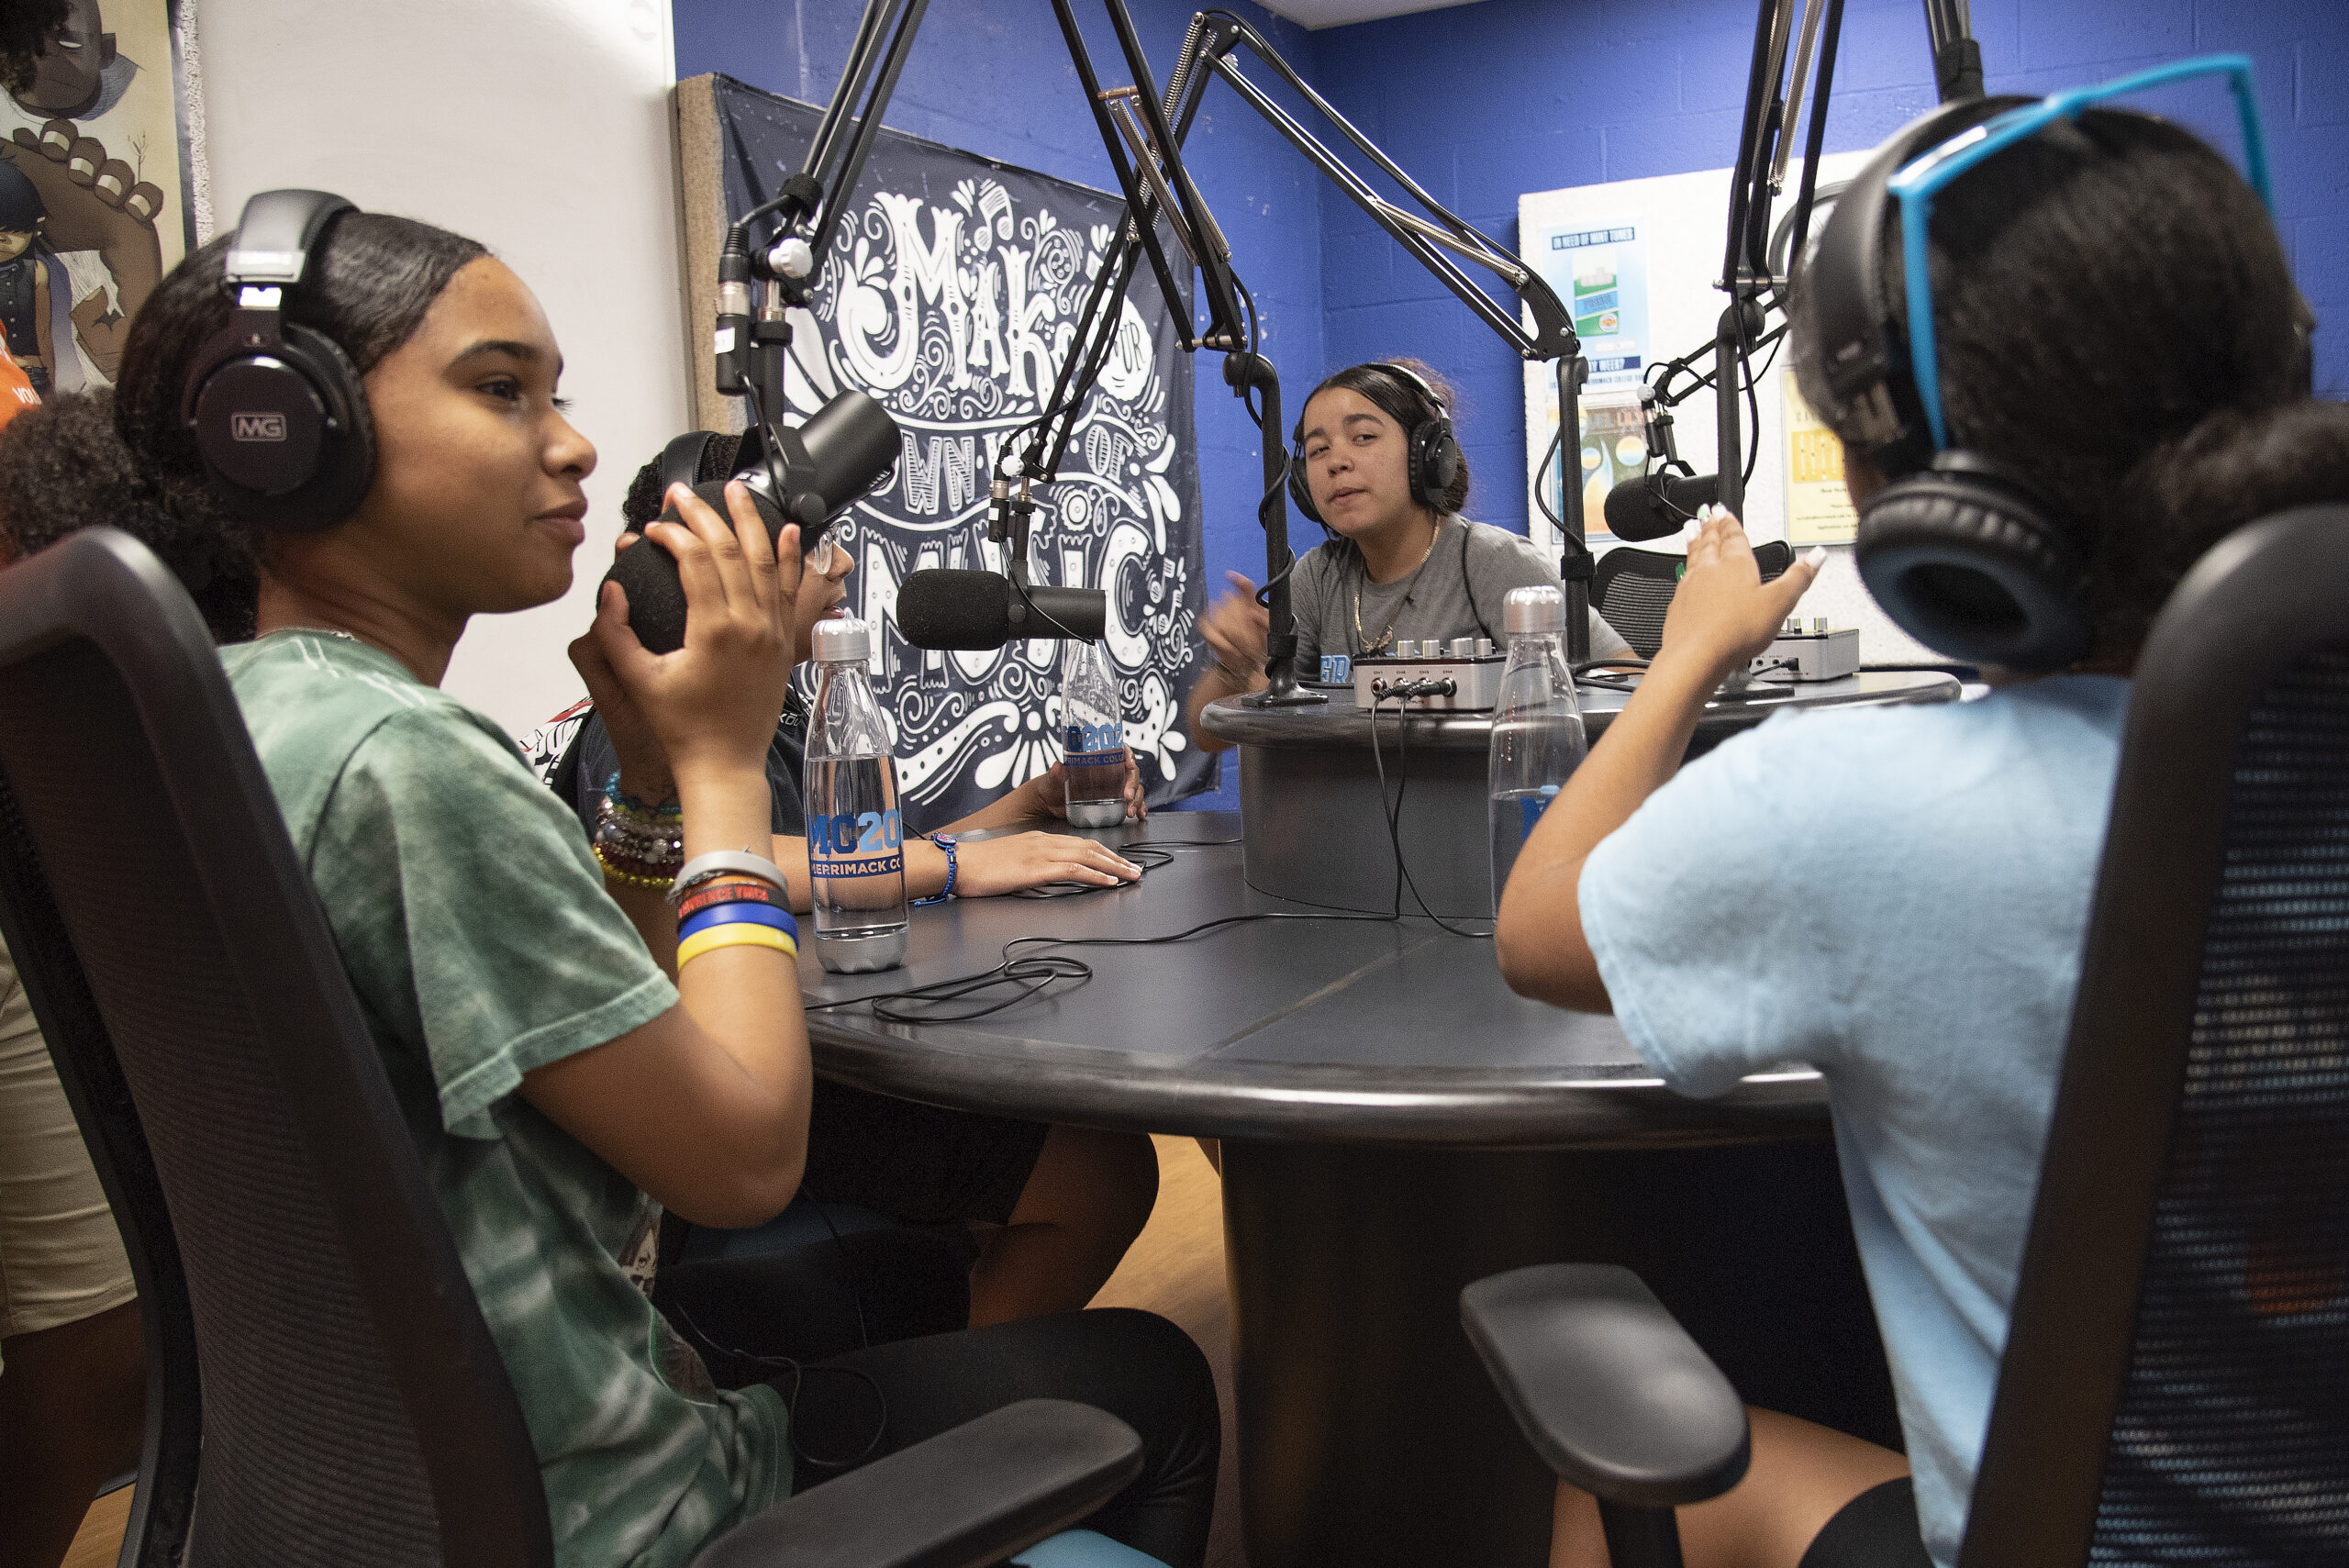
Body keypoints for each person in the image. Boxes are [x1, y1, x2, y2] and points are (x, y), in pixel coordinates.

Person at [0, 203, 1218, 1568]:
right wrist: (718, 771)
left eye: (557, 394)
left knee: (907, 1290)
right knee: (1152, 1380)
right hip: (606, 1510)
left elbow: (611, 1066)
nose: (573, 442)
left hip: (374, 1491)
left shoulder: (228, 727)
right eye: (500, 388)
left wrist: (643, 787)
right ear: (286, 431)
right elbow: (743, 1155)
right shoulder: (401, 760)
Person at [1493, 83, 2349, 1568]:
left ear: (1943, 512)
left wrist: (1689, 651)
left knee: (1616, 1487)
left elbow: (1539, 922)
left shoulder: (1856, 812)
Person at [539, 437, 1163, 1330]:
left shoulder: (790, 710)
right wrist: (951, 863)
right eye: (798, 543)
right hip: (725, 1078)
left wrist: (1023, 807)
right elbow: (717, 859)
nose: (834, 562)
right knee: (1101, 1171)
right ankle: (948, 1410)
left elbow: (852, 863)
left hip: (791, 1048)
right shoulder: (641, 721)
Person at [1186, 357, 1631, 751]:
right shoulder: (1317, 577)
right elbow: (1210, 737)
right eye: (1318, 449)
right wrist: (1234, 666)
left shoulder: (1491, 562)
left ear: (1427, 456)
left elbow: (1626, 680)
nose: (1336, 461)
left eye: (1362, 437)